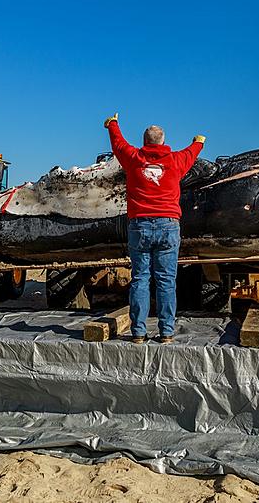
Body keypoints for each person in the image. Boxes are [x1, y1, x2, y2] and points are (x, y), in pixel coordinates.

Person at [105, 113, 205, 344]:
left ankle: (138, 332)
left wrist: (113, 124)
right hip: (168, 225)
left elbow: (118, 143)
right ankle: (166, 332)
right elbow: (192, 152)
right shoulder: (176, 160)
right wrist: (198, 141)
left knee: (140, 278)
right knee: (166, 280)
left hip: (139, 225)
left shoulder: (133, 158)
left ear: (144, 141)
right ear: (162, 141)